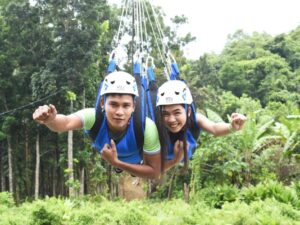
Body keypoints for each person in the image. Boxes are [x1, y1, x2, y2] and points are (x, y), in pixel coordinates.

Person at [33, 71, 162, 179]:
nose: (119, 112)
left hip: (137, 162)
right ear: (102, 103)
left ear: (134, 107)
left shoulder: (146, 127)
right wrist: (51, 120)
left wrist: (116, 163)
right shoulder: (95, 117)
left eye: (126, 105)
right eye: (113, 104)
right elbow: (65, 122)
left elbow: (154, 172)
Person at [155, 80, 247, 171]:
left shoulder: (196, 120)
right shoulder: (156, 127)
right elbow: (154, 171)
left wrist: (232, 127)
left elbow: (214, 128)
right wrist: (175, 160)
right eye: (165, 114)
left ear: (189, 111)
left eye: (177, 113)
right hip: (163, 160)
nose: (171, 119)